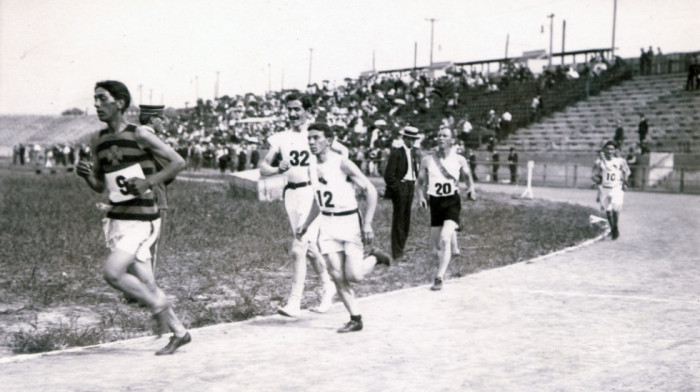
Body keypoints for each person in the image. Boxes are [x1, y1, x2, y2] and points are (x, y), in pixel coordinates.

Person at [76, 81, 190, 355]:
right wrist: (86, 175)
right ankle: (180, 332)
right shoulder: (98, 140)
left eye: (103, 99)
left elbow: (178, 162)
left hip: (142, 218)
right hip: (118, 219)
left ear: (120, 102)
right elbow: (101, 186)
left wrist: (148, 181)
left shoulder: (140, 134)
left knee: (113, 272)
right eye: (95, 99)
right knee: (147, 282)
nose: (97, 105)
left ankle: (157, 305)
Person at [297, 123, 391, 333]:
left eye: (316, 138)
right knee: (336, 274)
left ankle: (375, 257)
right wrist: (305, 224)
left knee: (354, 276)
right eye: (309, 138)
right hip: (328, 225)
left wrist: (367, 223)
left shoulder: (342, 163)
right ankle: (355, 318)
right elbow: (318, 199)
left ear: (329, 141)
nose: (311, 142)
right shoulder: (310, 166)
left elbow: (371, 191)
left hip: (350, 222)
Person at [259, 94, 335, 317]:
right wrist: (277, 169)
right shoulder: (280, 137)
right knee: (309, 249)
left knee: (298, 247)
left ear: (308, 110)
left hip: (312, 192)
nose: (292, 114)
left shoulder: (316, 134)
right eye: (289, 109)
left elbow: (335, 156)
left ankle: (295, 301)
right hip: (291, 194)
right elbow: (262, 167)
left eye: (296, 109)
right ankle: (328, 285)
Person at [416, 127, 476, 291]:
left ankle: (439, 277)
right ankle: (454, 242)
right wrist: (420, 197)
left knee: (444, 239)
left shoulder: (459, 159)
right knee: (437, 246)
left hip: (452, 202)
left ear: (452, 140)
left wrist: (471, 188)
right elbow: (420, 182)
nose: (440, 138)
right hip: (435, 203)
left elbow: (468, 175)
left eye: (445, 136)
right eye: (439, 135)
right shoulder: (427, 160)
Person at [383, 126, 421, 261]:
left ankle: (401, 249)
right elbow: (388, 175)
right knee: (399, 219)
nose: (412, 141)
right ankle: (397, 252)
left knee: (406, 219)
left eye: (414, 139)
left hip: (410, 186)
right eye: (409, 139)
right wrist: (398, 188)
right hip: (402, 186)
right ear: (404, 138)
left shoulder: (415, 153)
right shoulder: (397, 153)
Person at [591, 140, 630, 240]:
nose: (609, 151)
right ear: (604, 149)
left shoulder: (620, 161)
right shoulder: (599, 162)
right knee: (608, 210)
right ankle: (613, 228)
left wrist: (625, 183)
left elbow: (626, 172)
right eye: (607, 149)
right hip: (604, 188)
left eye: (612, 149)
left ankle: (615, 228)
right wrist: (597, 180)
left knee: (615, 209)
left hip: (616, 188)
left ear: (615, 150)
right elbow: (594, 175)